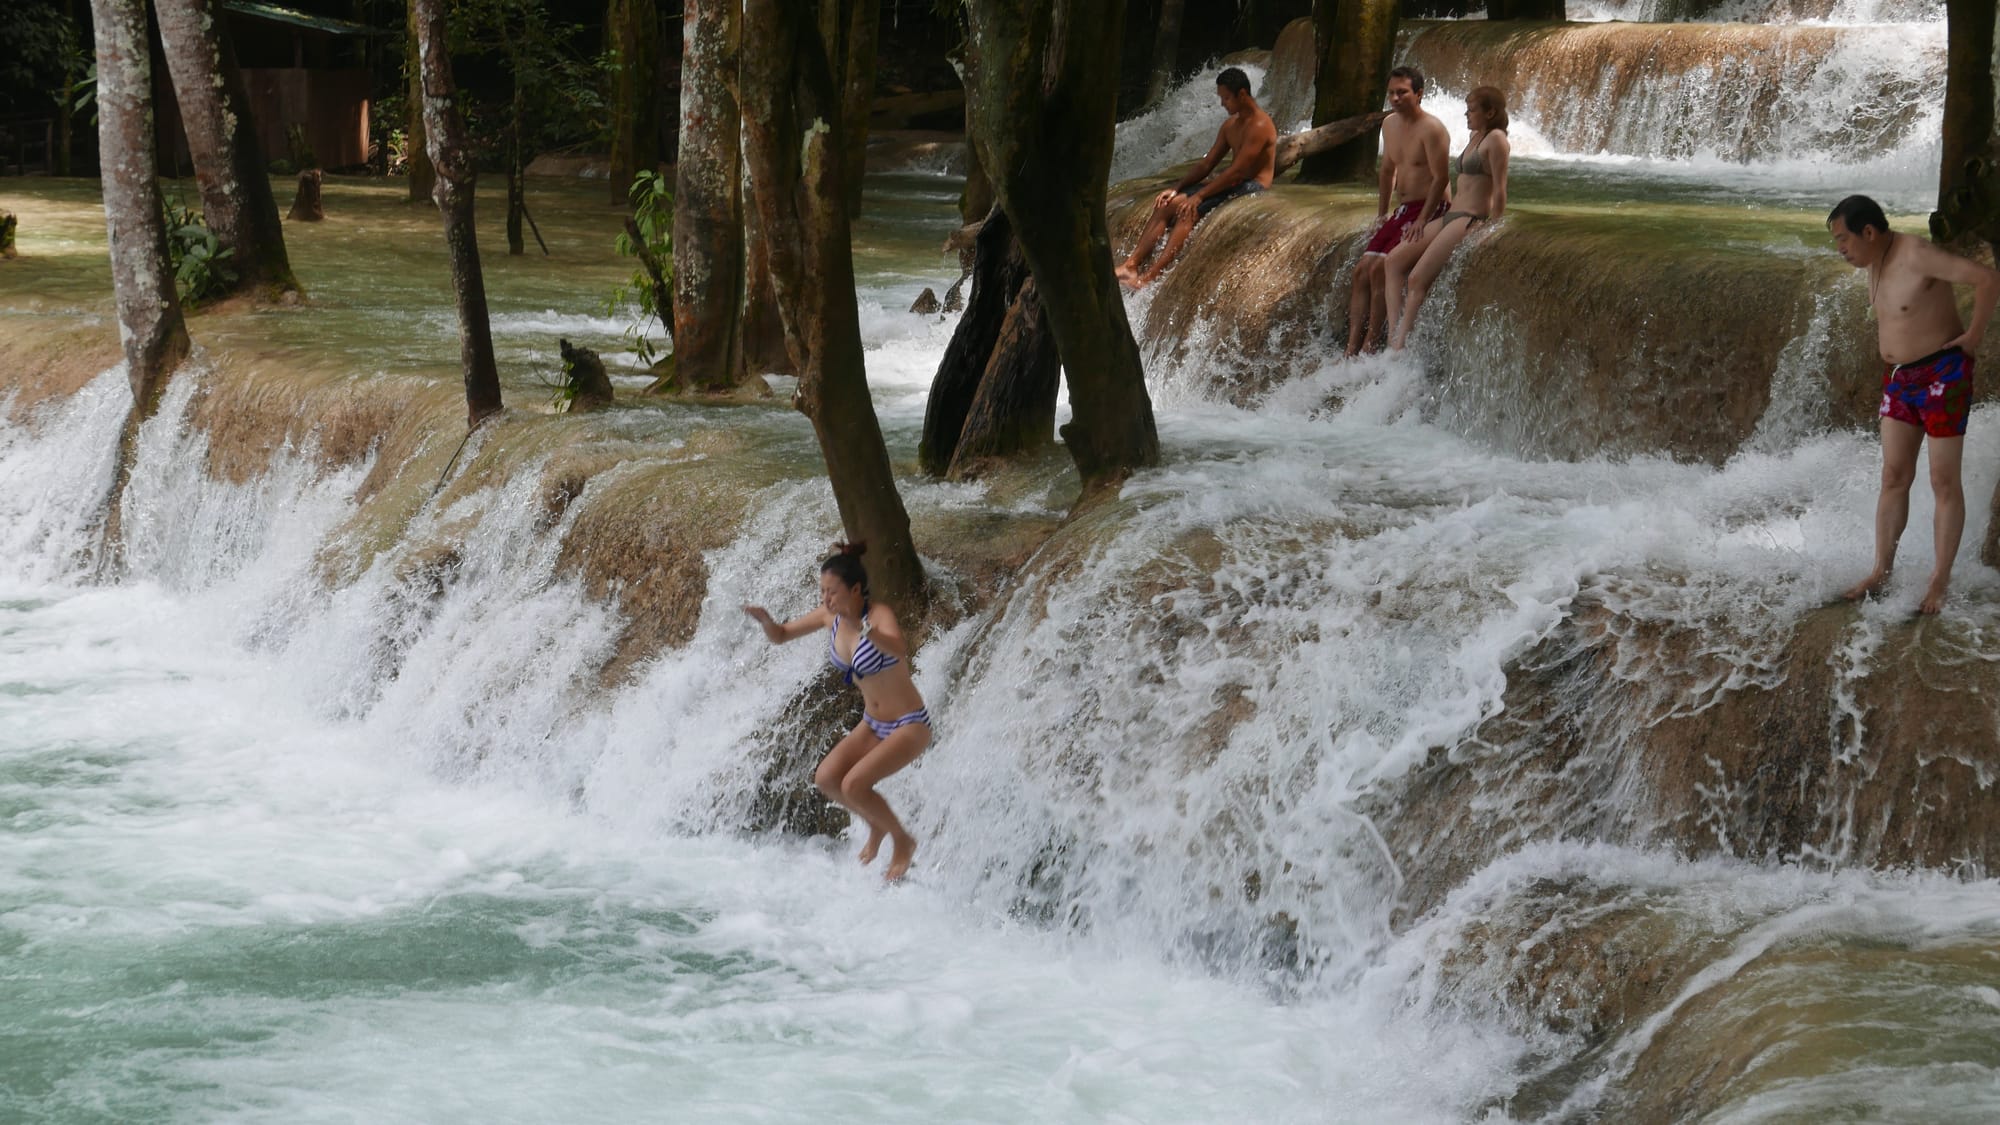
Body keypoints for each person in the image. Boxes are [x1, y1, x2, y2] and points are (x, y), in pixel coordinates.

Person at [1828, 194, 1999, 615]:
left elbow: (1987, 279)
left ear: (1869, 232)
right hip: (1900, 379)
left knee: (1943, 481)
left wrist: (1973, 336)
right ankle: (1880, 571)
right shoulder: (1874, 262)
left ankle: (1939, 581)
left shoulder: (1917, 254)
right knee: (1893, 476)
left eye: (1843, 239)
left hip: (1943, 373)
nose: (1841, 249)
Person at [744, 542, 931, 881]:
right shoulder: (828, 617)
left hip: (909, 724)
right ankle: (876, 826)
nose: (826, 599)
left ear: (855, 589)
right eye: (822, 591)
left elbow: (900, 647)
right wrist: (767, 622)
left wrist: (868, 632)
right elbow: (782, 636)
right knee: (827, 779)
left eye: (832, 592)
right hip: (873, 723)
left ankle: (903, 841)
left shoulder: (878, 615)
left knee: (855, 784)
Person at [1116, 66, 1277, 291]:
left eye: (1226, 98)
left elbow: (1239, 171)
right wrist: (1177, 187)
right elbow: (1207, 163)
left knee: (1187, 211)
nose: (1223, 104)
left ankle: (1150, 278)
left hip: (1253, 185)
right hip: (1233, 181)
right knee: (1169, 204)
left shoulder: (1260, 125)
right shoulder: (1230, 125)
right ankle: (1130, 266)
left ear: (1242, 94)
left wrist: (1199, 195)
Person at [1385, 86, 1512, 352]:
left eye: (1472, 110)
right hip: (1450, 215)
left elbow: (1500, 189)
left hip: (1468, 218)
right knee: (1394, 261)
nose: (1466, 114)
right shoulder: (1476, 135)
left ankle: (1399, 347)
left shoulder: (1497, 139)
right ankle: (1393, 336)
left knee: (1417, 278)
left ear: (1490, 112)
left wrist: (1494, 227)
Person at [1345, 66, 1451, 357]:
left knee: (1381, 268)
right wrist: (1382, 214)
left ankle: (1372, 341)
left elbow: (1441, 178)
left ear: (1419, 94)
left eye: (1402, 92)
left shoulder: (1433, 129)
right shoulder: (1389, 124)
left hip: (1432, 208)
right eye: (1391, 92)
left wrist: (1421, 221)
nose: (1394, 98)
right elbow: (1387, 171)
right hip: (1403, 208)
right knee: (1360, 271)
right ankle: (1351, 346)